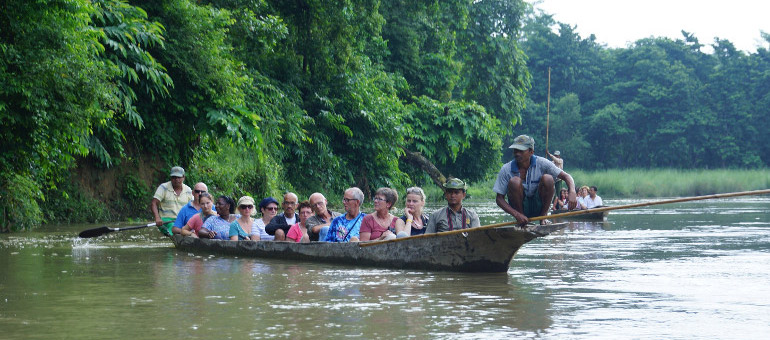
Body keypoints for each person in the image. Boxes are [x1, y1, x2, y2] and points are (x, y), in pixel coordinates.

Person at [494, 135, 577, 226]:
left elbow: (566, 176)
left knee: (548, 179)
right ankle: (522, 221)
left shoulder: (542, 163)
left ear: (531, 152)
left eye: (521, 151)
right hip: (520, 209)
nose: (517, 153)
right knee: (514, 182)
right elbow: (499, 199)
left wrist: (572, 191)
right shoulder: (506, 169)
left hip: (539, 206)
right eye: (515, 150)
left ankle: (543, 218)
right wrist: (517, 214)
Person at [150, 166, 193, 236]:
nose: (176, 180)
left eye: (179, 177)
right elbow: (154, 203)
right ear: (171, 178)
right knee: (174, 228)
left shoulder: (188, 190)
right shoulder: (163, 188)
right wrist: (157, 218)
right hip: (166, 221)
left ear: (183, 177)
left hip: (182, 220)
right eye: (174, 177)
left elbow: (193, 206)